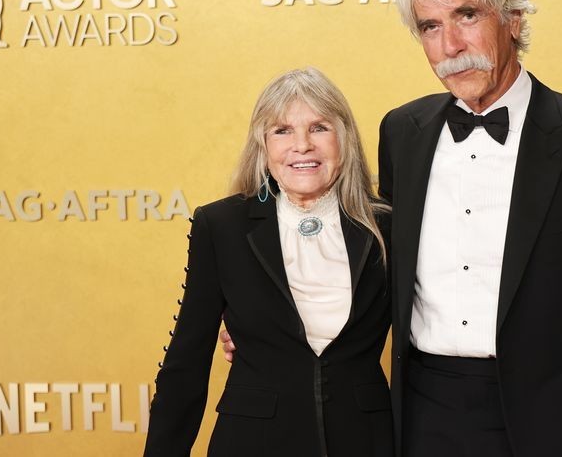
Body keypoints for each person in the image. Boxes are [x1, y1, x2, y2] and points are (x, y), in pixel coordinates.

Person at [224, 0, 562, 457]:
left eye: (467, 15)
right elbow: (371, 265)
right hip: (423, 417)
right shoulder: (403, 132)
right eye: (430, 26)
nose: (451, 46)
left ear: (513, 18)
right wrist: (266, 319)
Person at [145, 67, 393, 457]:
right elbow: (186, 361)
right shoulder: (222, 225)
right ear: (262, 144)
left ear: (344, 137)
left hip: (364, 439)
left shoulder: (388, 226)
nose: (302, 145)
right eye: (282, 131)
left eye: (319, 128)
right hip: (253, 441)